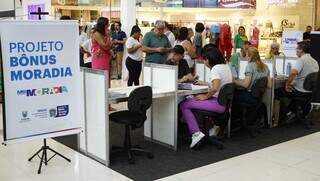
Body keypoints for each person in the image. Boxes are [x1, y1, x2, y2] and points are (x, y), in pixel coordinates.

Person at [180, 45, 233, 148]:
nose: (204, 62)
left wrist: (204, 97)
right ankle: (206, 128)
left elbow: (215, 88)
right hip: (224, 104)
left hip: (217, 104)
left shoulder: (215, 69)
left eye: (204, 60)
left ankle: (196, 134)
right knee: (193, 99)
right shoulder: (225, 66)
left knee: (184, 104)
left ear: (208, 59)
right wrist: (205, 83)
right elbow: (220, 84)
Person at [275, 41, 319, 119]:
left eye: (297, 49)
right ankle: (292, 111)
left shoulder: (302, 60)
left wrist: (287, 84)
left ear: (301, 50)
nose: (296, 50)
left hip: (300, 92)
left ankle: (278, 118)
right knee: (291, 90)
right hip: (309, 92)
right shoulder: (315, 61)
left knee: (277, 92)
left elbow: (293, 73)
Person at [91, 17, 113, 87]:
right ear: (103, 25)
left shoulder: (104, 33)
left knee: (106, 76)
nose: (108, 26)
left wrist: (109, 43)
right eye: (107, 24)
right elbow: (105, 46)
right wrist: (109, 36)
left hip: (106, 57)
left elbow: (109, 46)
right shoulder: (96, 34)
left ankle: (106, 94)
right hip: (99, 58)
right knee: (101, 77)